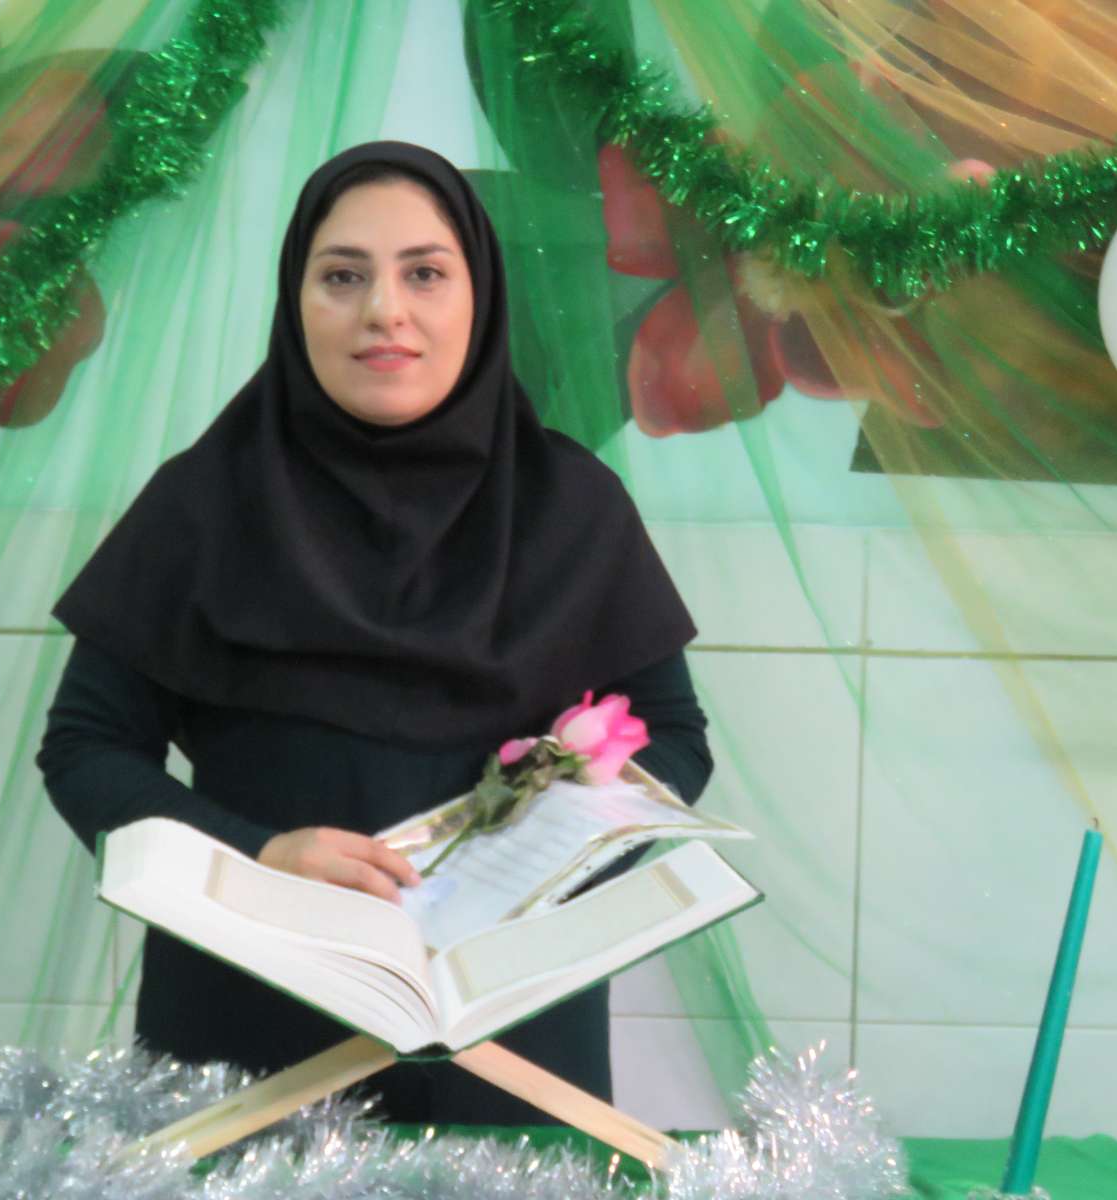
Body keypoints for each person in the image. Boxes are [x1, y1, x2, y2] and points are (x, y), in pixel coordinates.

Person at [38, 141, 713, 1124]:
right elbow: (87, 748)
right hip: (239, 1044)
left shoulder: (574, 508)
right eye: (343, 276)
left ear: (480, 299)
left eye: (425, 274)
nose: (383, 311)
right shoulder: (204, 500)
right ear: (295, 300)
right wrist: (256, 859)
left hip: (510, 1045)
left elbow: (674, 739)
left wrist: (541, 858)